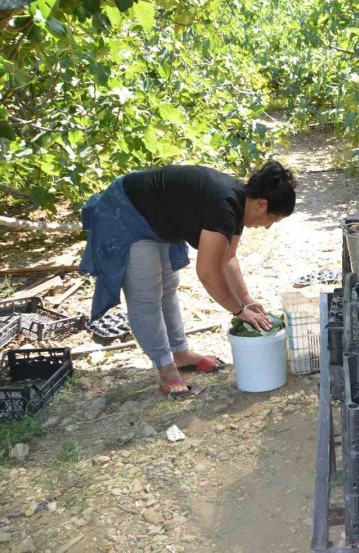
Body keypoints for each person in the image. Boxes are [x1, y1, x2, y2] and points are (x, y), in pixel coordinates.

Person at [80, 161, 296, 397]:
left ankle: (181, 354)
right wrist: (238, 310)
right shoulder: (225, 206)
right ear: (262, 204)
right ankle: (165, 367)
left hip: (158, 216)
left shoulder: (238, 204)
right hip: (128, 210)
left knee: (168, 287)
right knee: (146, 296)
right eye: (272, 220)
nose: (267, 227)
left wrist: (246, 298)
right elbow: (207, 273)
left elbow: (228, 259)